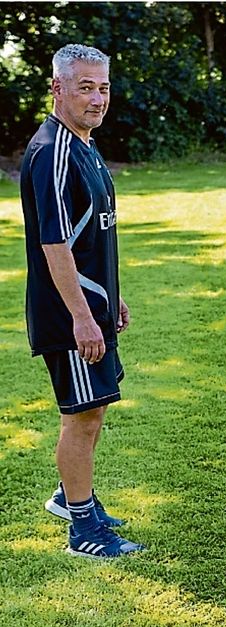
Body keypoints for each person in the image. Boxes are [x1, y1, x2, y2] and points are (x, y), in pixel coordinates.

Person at [20, 44, 144, 558]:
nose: (97, 98)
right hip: (69, 318)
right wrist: (81, 317)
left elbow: (92, 236)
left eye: (104, 87)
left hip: (93, 310)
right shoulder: (53, 152)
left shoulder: (85, 145)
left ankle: (74, 498)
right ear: (58, 88)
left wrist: (111, 300)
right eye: (85, 87)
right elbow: (54, 244)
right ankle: (82, 530)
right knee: (82, 416)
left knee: (93, 409)